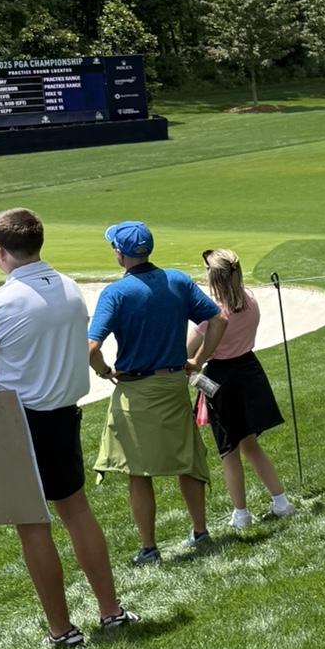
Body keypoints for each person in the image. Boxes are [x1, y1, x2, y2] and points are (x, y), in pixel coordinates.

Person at [0, 209, 137, 646]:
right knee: (76, 512)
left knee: (32, 525)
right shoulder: (69, 287)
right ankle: (110, 611)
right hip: (63, 415)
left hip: (20, 421)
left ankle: (61, 629)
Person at [87, 221, 227, 564]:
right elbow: (218, 319)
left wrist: (104, 371)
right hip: (173, 385)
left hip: (135, 391)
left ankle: (149, 548)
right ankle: (200, 532)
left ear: (121, 255)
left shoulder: (116, 294)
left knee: (139, 471)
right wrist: (197, 359)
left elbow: (91, 347)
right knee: (187, 461)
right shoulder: (177, 281)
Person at [188, 248, 293, 529]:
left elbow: (187, 350)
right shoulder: (251, 301)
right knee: (250, 444)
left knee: (228, 451)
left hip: (221, 379)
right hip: (248, 371)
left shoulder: (211, 316)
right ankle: (280, 500)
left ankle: (241, 514)